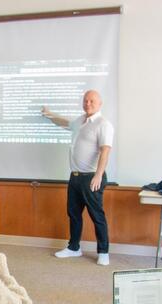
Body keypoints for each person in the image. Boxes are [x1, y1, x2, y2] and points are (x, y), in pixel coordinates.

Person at [42, 90, 114, 265]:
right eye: (85, 100)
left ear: (100, 104)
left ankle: (103, 252)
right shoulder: (80, 121)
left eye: (92, 101)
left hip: (92, 178)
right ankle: (74, 247)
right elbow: (64, 122)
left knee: (97, 215)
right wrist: (49, 114)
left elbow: (105, 150)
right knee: (74, 214)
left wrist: (98, 175)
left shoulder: (103, 124)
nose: (88, 103)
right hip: (75, 177)